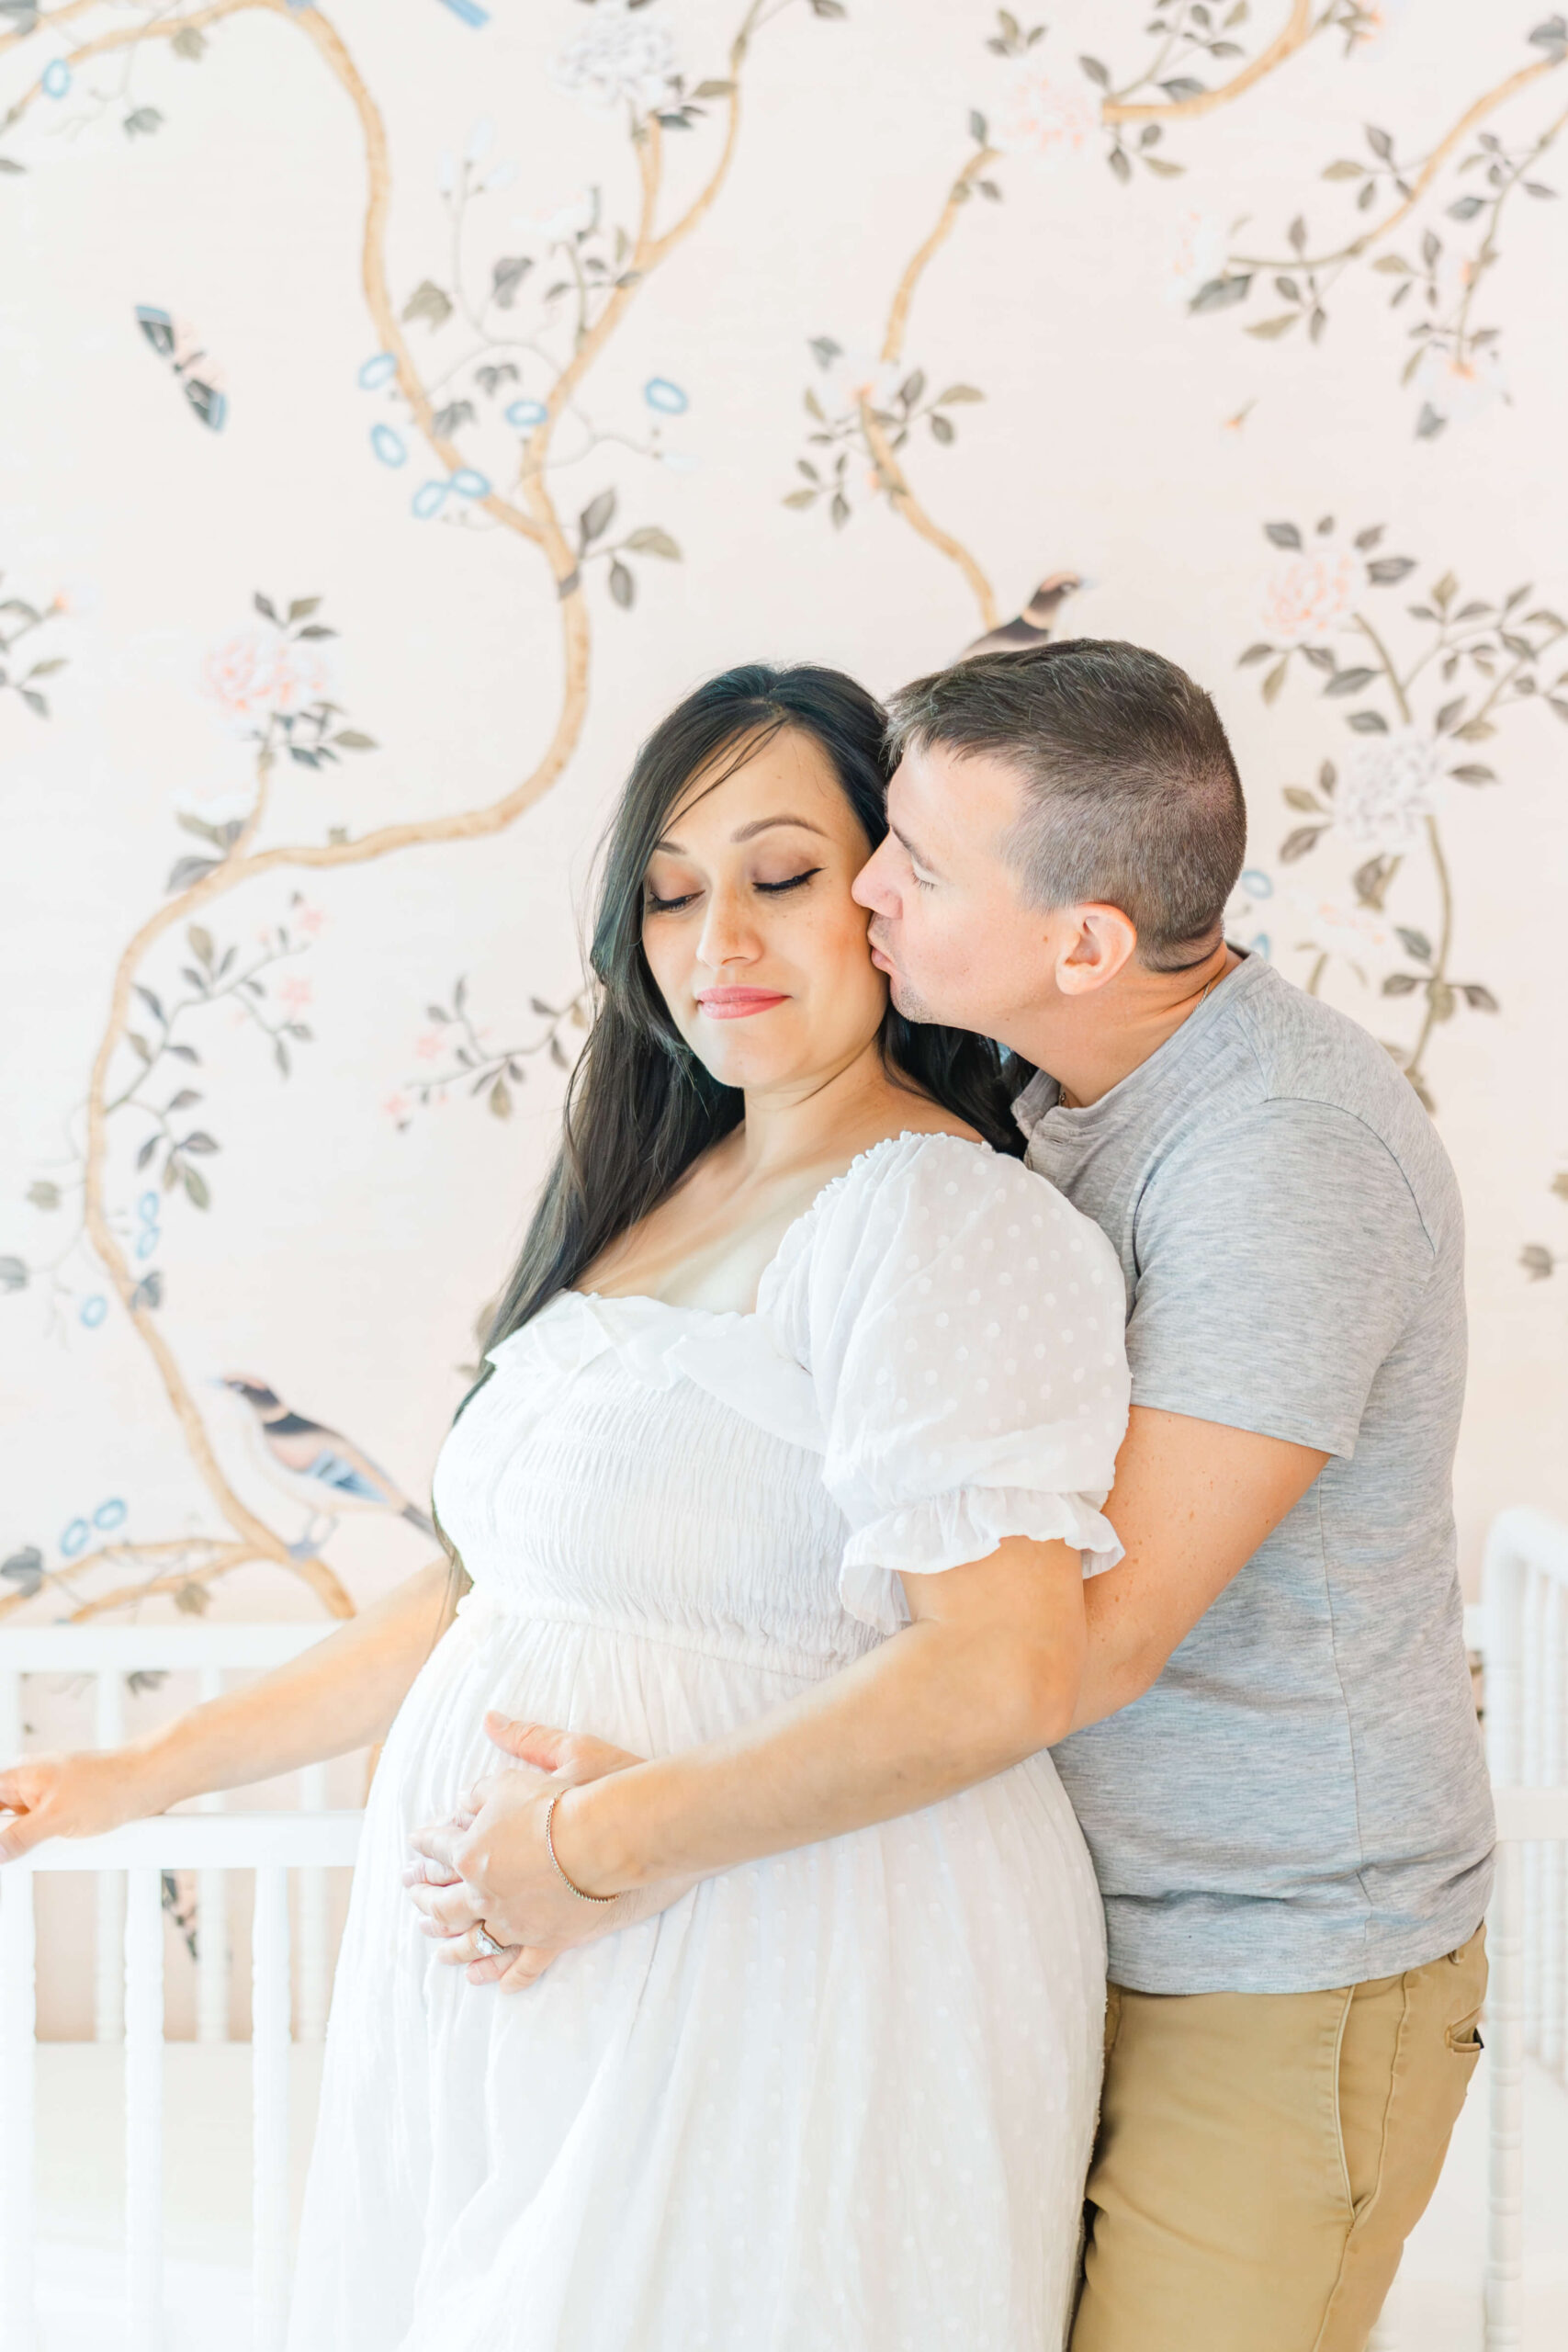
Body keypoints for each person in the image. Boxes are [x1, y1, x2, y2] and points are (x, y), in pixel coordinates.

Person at [0, 664, 1131, 2352]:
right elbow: (485, 1604)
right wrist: (133, 1775)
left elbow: (1003, 1673)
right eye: (671, 893)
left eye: (780, 875)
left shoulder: (939, 1224)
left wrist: (599, 1853)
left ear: (886, 897)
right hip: (545, 1969)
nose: (717, 943)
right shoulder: (647, 1198)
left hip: (783, 1957)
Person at [414, 639, 1493, 2352]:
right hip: (1044, 1914)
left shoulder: (1283, 1150)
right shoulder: (1058, 1103)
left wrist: (617, 1840)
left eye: (907, 862)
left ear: (1083, 941)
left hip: (1263, 1955)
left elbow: (1067, 1652)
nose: (866, 898)